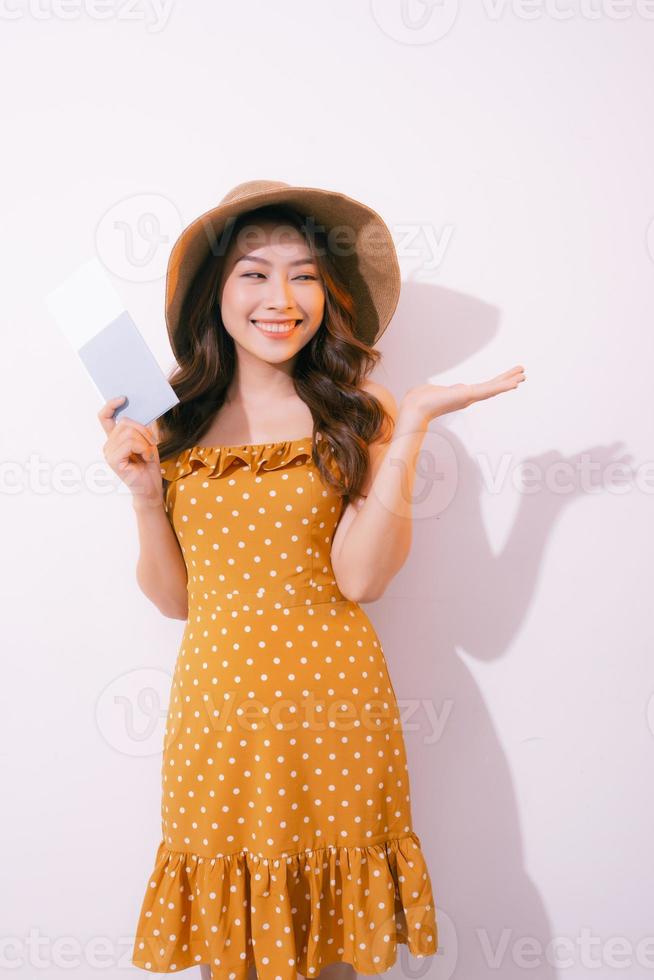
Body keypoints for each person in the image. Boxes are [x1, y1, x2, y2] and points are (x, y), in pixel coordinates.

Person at [97, 180, 526, 980]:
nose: (281, 298)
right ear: (215, 294)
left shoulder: (360, 411)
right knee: (241, 948)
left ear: (327, 293)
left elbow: (362, 580)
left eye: (303, 275)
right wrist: (144, 495)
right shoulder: (169, 421)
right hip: (219, 711)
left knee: (330, 949)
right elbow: (175, 600)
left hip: (333, 703)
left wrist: (413, 428)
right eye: (255, 274)